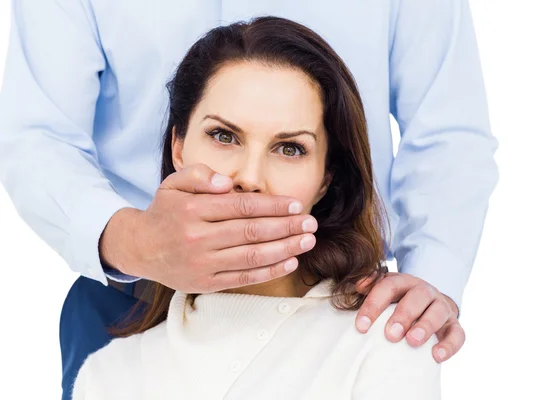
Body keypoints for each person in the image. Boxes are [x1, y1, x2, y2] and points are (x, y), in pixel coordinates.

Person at [0, 1, 497, 399]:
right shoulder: (109, 373)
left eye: (289, 147)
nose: (249, 177)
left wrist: (427, 284)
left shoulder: (380, 353)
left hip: (346, 310)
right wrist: (137, 242)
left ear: (327, 174)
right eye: (222, 137)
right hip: (129, 295)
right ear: (177, 144)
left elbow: (447, 131)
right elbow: (37, 135)